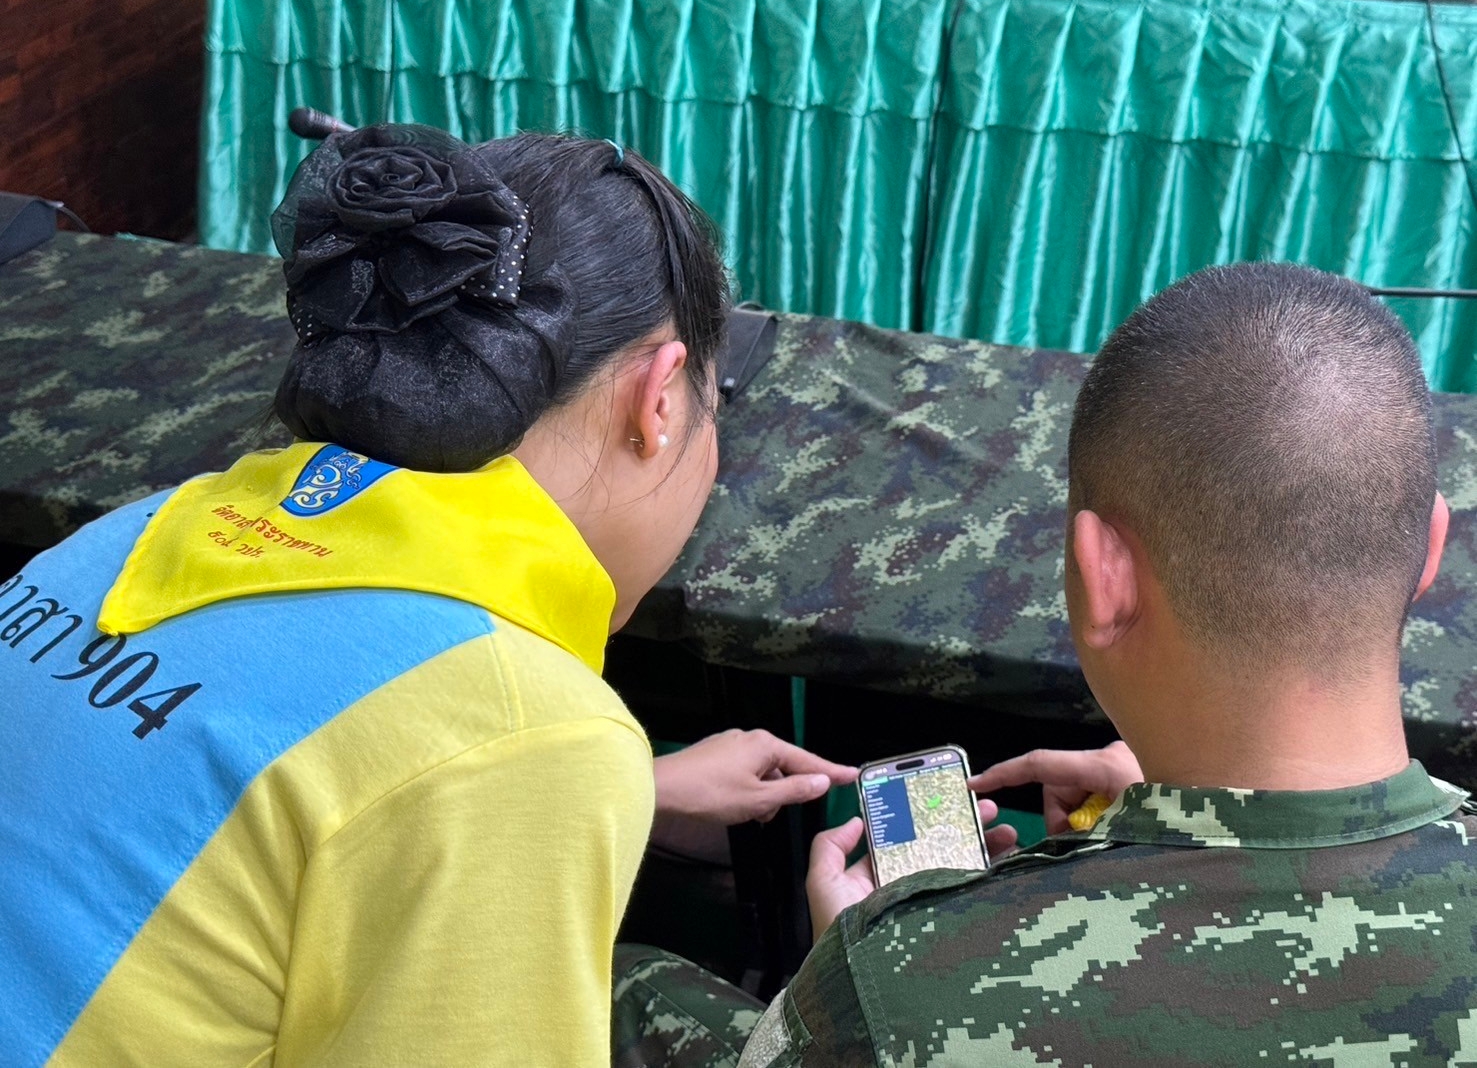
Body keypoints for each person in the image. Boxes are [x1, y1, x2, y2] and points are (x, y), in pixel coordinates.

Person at [0, 123, 852, 1067]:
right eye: (710, 407)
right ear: (658, 399)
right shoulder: (518, 728)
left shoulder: (134, 531)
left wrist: (624, 795)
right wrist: (851, 993)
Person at [613, 262, 1477, 1066]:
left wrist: (847, 972)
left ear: (1104, 577)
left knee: (629, 984)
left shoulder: (896, 987)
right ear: (1428, 549)